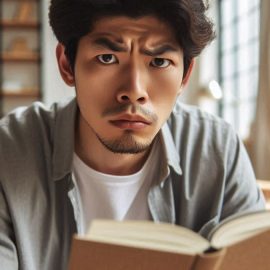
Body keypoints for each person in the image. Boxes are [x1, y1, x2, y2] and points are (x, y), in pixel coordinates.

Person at [0, 0, 265, 269]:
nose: (134, 90)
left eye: (159, 61)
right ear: (67, 64)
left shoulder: (217, 149)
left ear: (185, 76)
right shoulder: (8, 152)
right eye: (107, 58)